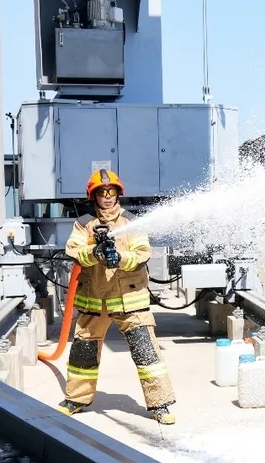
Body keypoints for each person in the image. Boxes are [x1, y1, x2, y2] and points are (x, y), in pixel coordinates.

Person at [60, 169, 178, 424]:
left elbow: (142, 253)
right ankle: (76, 399)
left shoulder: (130, 222)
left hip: (129, 299)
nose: (108, 197)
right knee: (83, 353)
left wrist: (120, 258)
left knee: (146, 353)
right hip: (94, 300)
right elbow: (73, 249)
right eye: (102, 192)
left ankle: (160, 405)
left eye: (112, 191)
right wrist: (95, 253)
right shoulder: (83, 223)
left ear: (118, 194)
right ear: (94, 196)